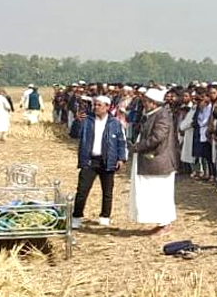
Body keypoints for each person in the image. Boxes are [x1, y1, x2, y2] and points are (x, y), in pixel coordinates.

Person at [69, 95, 128, 229]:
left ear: (107, 107)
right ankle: (77, 216)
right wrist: (76, 122)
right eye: (94, 105)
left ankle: (105, 216)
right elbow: (73, 135)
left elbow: (121, 142)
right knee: (82, 190)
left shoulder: (115, 123)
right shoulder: (87, 121)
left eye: (99, 105)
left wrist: (121, 158)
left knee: (107, 191)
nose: (95, 107)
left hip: (108, 160)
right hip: (90, 160)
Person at [129, 87, 179, 234]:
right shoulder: (154, 114)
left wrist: (137, 147)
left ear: (154, 102)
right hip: (151, 161)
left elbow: (157, 137)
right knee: (153, 193)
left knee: (160, 193)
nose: (145, 104)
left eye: (147, 101)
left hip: (159, 161)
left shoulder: (162, 116)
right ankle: (161, 222)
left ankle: (165, 223)